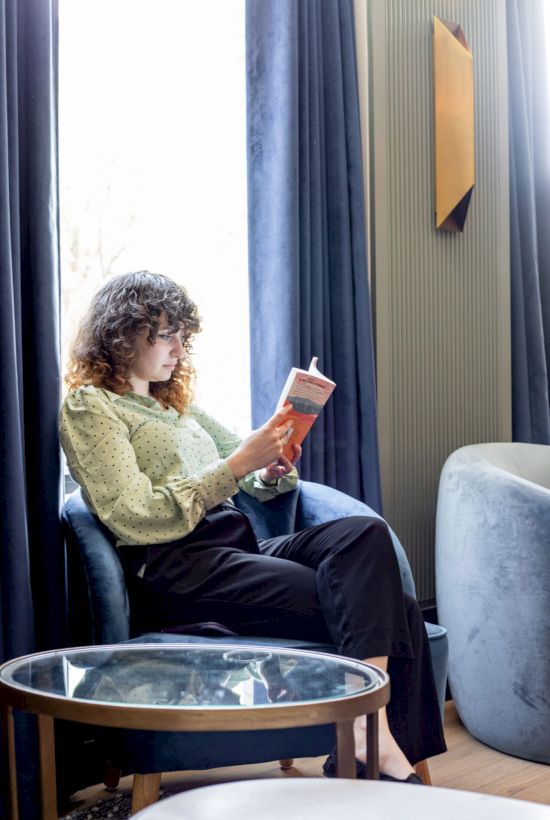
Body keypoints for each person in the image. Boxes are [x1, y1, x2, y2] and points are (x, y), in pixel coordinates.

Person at [60, 270, 446, 783]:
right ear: (123, 334)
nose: (178, 348)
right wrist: (238, 466)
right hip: (178, 564)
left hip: (238, 544)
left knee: (363, 536)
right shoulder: (91, 406)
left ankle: (364, 733)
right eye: (165, 333)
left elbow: (240, 467)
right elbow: (133, 513)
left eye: (182, 336)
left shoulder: (178, 407)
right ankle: (368, 739)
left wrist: (269, 469)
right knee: (392, 604)